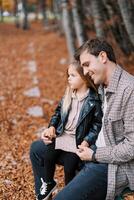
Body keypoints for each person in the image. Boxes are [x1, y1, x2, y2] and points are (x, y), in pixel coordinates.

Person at [54, 39, 134, 200]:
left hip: (114, 167)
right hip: (93, 154)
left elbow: (131, 148)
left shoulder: (129, 90)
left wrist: (95, 155)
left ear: (103, 57)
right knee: (42, 151)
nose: (84, 71)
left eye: (86, 64)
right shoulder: (103, 86)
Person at [30, 60, 103, 200]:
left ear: (84, 78)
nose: (68, 78)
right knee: (48, 156)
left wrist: (87, 141)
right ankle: (49, 183)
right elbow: (57, 113)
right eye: (68, 75)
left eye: (72, 75)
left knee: (70, 168)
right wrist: (51, 127)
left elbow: (97, 124)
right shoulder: (69, 95)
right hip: (62, 136)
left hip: (77, 141)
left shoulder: (93, 100)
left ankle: (69, 193)